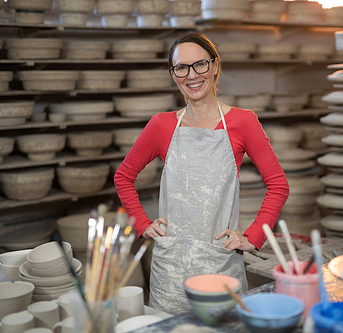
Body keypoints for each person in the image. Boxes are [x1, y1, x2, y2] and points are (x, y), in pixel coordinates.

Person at [114, 32, 289, 314]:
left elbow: (278, 185)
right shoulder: (161, 125)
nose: (191, 75)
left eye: (200, 64)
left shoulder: (243, 122)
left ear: (215, 66)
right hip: (170, 268)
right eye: (181, 67)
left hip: (220, 263)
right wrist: (142, 224)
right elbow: (122, 177)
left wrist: (253, 237)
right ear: (173, 74)